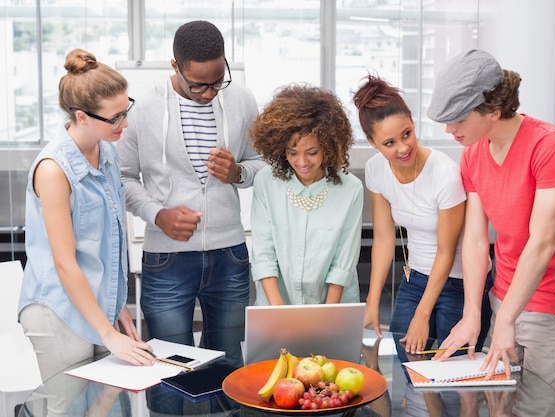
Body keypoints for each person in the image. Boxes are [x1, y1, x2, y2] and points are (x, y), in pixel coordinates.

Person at [427, 49, 555, 409]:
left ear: (494, 111)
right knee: (499, 408)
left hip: (553, 307)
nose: (449, 130)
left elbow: (542, 244)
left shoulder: (549, 145)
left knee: (536, 410)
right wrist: (474, 314)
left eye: (456, 119)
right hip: (503, 296)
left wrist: (507, 319)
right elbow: (474, 239)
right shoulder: (472, 153)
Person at [119, 20, 264, 369]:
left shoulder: (242, 100)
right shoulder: (141, 107)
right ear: (175, 67)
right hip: (166, 259)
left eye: (218, 82)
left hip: (230, 255)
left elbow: (262, 163)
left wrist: (238, 173)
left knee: (228, 366)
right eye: (199, 85)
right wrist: (158, 214)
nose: (211, 93)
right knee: (169, 368)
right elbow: (122, 177)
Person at [18, 48, 153, 416]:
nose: (124, 123)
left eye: (127, 109)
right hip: (59, 313)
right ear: (82, 116)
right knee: (68, 410)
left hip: (95, 304)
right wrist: (109, 334)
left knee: (106, 406)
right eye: (116, 117)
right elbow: (65, 264)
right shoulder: (53, 169)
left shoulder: (106, 151)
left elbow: (108, 243)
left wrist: (117, 304)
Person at [352, 74, 492, 355]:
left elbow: (446, 251)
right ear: (372, 142)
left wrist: (422, 314)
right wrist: (372, 302)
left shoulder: (444, 173)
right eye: (389, 143)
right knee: (407, 362)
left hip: (459, 281)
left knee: (452, 373)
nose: (403, 148)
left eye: (407, 134)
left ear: (413, 124)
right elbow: (382, 238)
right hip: (414, 278)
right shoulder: (376, 169)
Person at [248, 84, 363, 305]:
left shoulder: (351, 189)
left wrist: (326, 317)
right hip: (275, 301)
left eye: (312, 152)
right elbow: (263, 253)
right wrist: (279, 311)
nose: (302, 162)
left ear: (329, 146)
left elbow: (343, 262)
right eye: (292, 153)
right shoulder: (266, 182)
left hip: (333, 304)